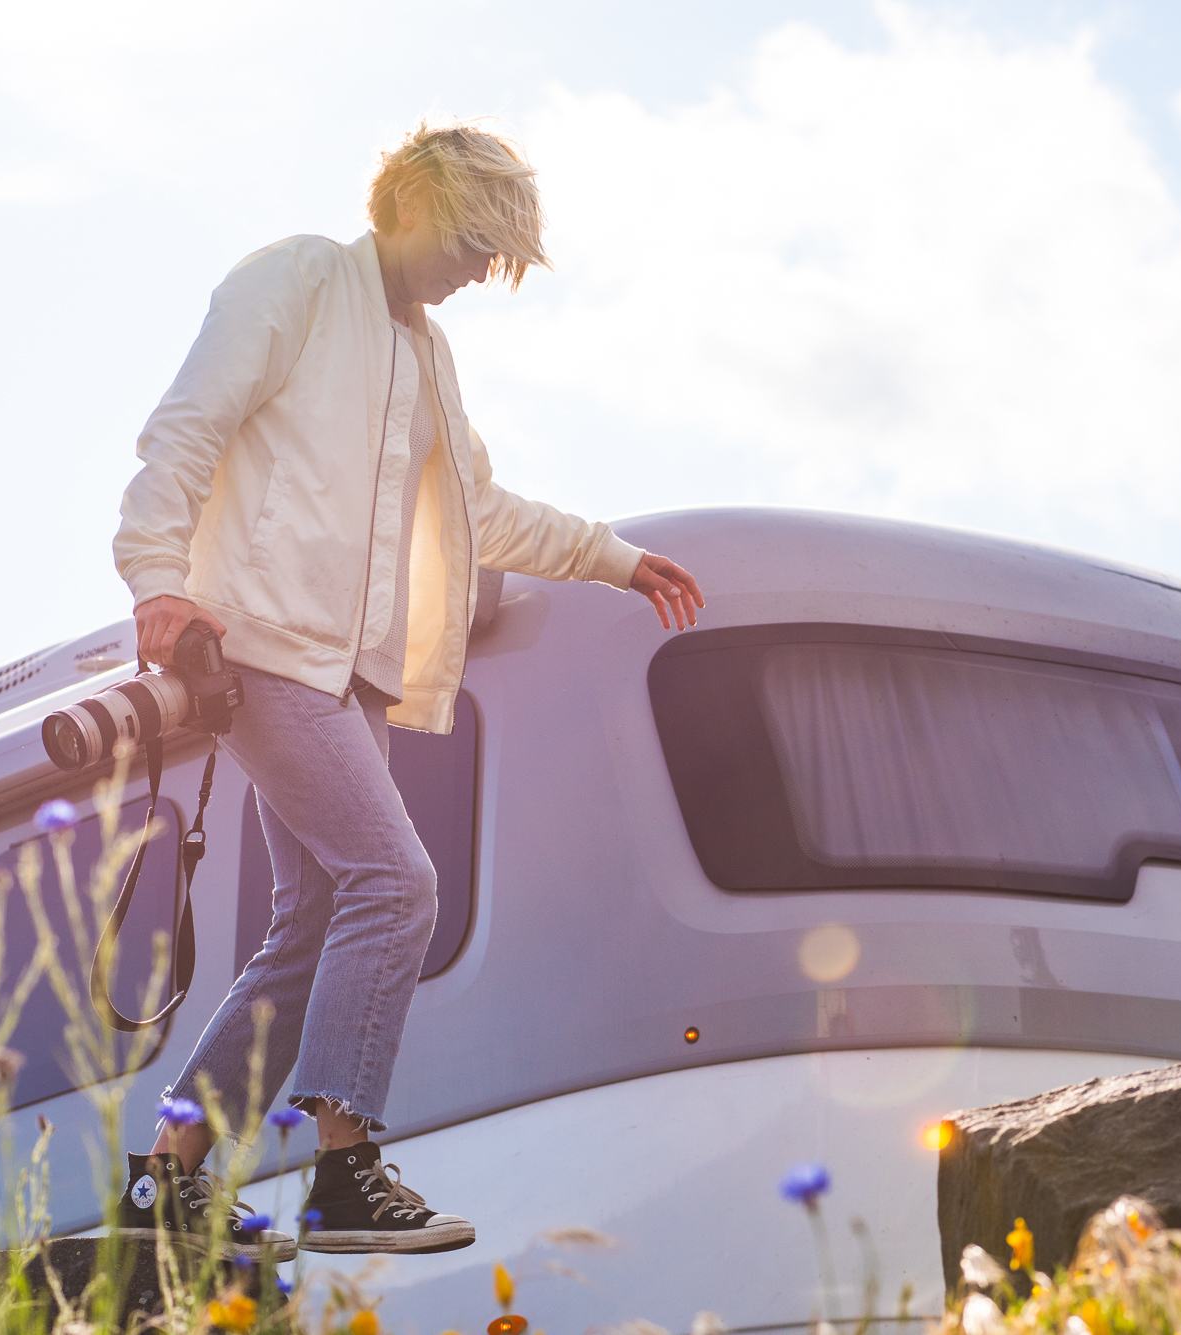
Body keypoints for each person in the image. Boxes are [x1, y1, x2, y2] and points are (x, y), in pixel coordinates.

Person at [107, 120, 707, 1260]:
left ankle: (166, 1182)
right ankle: (342, 1172)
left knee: (314, 921)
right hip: (261, 648)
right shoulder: (295, 281)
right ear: (418, 205)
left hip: (351, 679)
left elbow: (481, 514)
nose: (483, 271)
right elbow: (186, 431)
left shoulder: (429, 357)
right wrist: (157, 584)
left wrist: (615, 558)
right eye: (479, 243)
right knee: (396, 883)